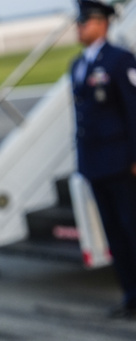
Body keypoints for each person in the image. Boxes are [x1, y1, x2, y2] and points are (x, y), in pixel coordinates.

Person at [70, 0, 136, 318]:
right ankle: (130, 296)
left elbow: (133, 111)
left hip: (122, 162)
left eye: (84, 22)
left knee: (131, 229)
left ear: (101, 24)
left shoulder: (120, 60)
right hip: (95, 163)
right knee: (114, 233)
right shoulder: (79, 64)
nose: (79, 27)